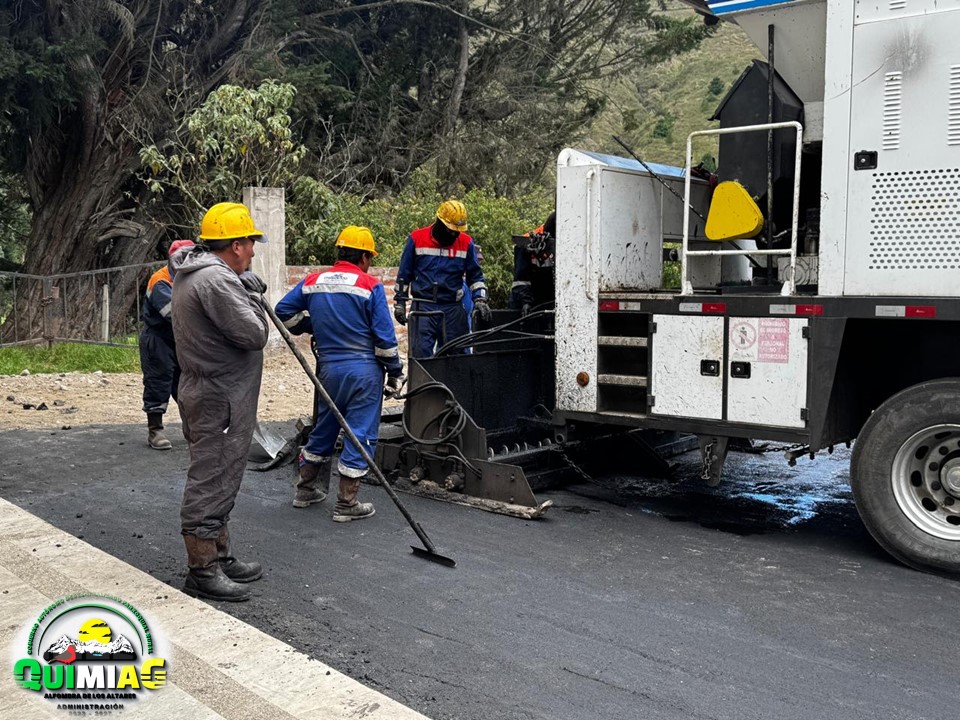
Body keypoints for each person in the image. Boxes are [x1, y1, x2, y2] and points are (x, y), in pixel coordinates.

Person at [171, 202, 270, 602]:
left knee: (222, 475)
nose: (253, 251)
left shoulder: (200, 274)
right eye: (250, 243)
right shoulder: (215, 281)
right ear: (235, 244)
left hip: (215, 393)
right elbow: (254, 334)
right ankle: (202, 570)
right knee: (211, 479)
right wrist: (252, 300)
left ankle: (219, 553)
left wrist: (242, 286)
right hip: (218, 399)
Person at [275, 226, 404, 521]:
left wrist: (309, 325)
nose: (369, 263)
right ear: (362, 256)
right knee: (360, 433)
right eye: (369, 257)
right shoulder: (369, 285)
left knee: (325, 427)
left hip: (329, 370)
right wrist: (395, 371)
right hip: (363, 372)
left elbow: (283, 311)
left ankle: (305, 490)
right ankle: (346, 503)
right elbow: (385, 340)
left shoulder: (312, 281)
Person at [394, 200, 490, 357]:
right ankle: (423, 382)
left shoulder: (465, 243)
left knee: (457, 357)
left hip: (452, 308)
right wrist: (400, 303)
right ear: (440, 222)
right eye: (451, 230)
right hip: (423, 307)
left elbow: (476, 276)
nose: (454, 234)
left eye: (457, 231)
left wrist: (480, 299)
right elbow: (404, 275)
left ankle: (455, 382)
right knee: (420, 357)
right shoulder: (417, 239)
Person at [140, 239, 194, 450]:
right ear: (172, 260)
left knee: (186, 385)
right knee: (158, 382)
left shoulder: (189, 280)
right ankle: (155, 430)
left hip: (181, 339)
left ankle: (192, 429)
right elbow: (173, 314)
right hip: (159, 339)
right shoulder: (160, 281)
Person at [509, 210, 556, 316]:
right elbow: (520, 280)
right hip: (525, 305)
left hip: (547, 303)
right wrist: (526, 302)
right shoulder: (526, 243)